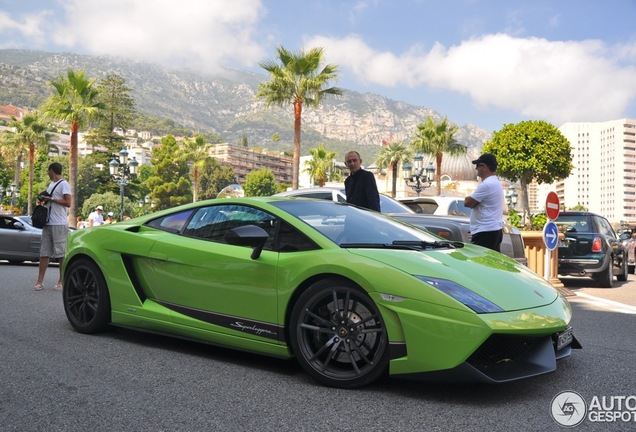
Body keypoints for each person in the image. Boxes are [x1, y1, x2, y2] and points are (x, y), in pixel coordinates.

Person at [34, 162, 72, 291]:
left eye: (48, 171)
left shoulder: (64, 184)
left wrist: (52, 199)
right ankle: (39, 282)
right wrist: (43, 199)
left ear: (52, 171)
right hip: (48, 223)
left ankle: (61, 281)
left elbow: (68, 203)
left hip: (59, 224)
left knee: (61, 254)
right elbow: (49, 200)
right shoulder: (51, 185)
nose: (47, 173)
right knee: (44, 253)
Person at [464, 153, 504, 252]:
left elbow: (467, 203)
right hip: (493, 230)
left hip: (484, 232)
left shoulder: (487, 185)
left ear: (484, 167)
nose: (476, 168)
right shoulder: (495, 182)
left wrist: (469, 198)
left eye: (477, 166)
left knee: (480, 263)